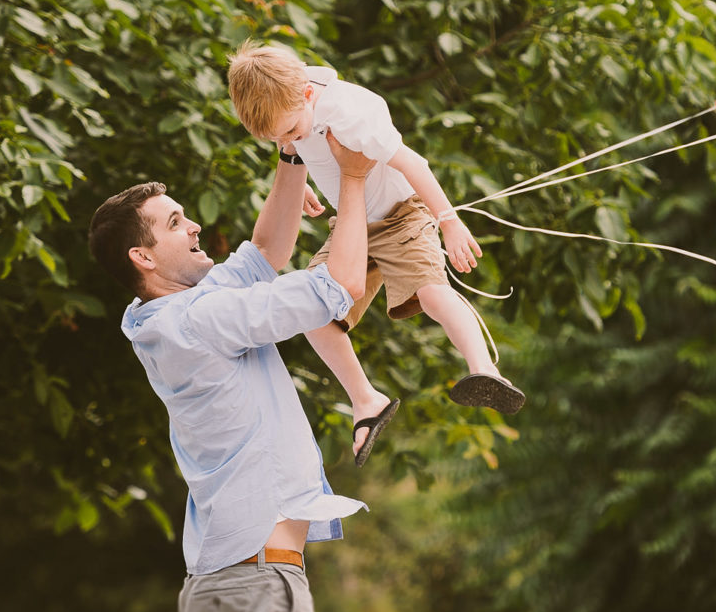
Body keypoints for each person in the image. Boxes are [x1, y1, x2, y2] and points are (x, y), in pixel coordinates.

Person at [88, 131, 375, 612]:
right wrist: (353, 179)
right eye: (174, 223)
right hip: (253, 583)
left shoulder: (164, 315)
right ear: (142, 257)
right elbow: (341, 286)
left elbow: (266, 251)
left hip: (243, 580)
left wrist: (293, 155)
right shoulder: (199, 318)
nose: (195, 224)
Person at [225, 41, 526, 445]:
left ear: (309, 94)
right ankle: (366, 400)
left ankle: (484, 369)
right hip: (352, 230)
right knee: (311, 310)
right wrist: (304, 178)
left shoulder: (350, 114)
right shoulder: (290, 101)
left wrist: (449, 222)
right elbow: (301, 145)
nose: (289, 139)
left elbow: (414, 163)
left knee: (433, 294)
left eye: (291, 131)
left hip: (401, 216)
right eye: (278, 138)